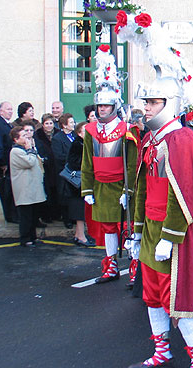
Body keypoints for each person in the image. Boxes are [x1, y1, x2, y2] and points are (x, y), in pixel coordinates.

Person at [127, 86, 193, 368]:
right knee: (151, 295)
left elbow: (184, 192)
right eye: (146, 102)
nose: (147, 107)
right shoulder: (150, 138)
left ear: (169, 103)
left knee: (178, 296)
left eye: (153, 102)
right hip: (151, 229)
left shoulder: (182, 138)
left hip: (172, 232)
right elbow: (142, 189)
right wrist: (137, 232)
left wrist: (169, 236)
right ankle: (162, 350)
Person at [81, 95, 138, 283]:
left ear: (114, 106)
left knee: (129, 229)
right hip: (100, 187)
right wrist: (87, 189)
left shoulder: (127, 130)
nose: (102, 109)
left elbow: (131, 164)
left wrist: (128, 191)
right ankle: (111, 265)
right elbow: (87, 162)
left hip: (121, 186)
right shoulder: (90, 130)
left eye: (106, 105)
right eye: (99, 106)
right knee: (108, 228)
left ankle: (135, 267)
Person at [9, 126, 46, 247]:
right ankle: (25, 238)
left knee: (33, 214)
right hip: (24, 188)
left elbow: (38, 161)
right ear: (16, 139)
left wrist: (32, 149)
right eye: (24, 136)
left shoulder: (27, 149)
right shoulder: (16, 151)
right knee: (26, 216)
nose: (27, 138)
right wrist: (30, 149)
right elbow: (29, 162)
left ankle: (33, 237)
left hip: (33, 187)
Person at [66, 122, 94, 246]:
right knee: (79, 211)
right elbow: (73, 162)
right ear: (79, 133)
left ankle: (79, 235)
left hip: (81, 183)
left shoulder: (84, 143)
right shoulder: (78, 144)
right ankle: (81, 237)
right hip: (77, 184)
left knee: (81, 210)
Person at [0, 101, 18, 223]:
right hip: (4, 166)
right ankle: (10, 216)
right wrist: (2, 164)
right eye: (8, 109)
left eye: (11, 109)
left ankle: (12, 215)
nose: (10, 111)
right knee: (5, 193)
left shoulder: (8, 124)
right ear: (1, 111)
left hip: (10, 163)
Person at [52, 113, 76, 229]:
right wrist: (73, 159)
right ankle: (67, 219)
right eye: (71, 122)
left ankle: (74, 217)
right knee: (65, 196)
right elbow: (58, 156)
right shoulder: (57, 138)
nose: (73, 124)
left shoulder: (74, 136)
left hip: (75, 172)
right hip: (64, 172)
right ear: (64, 125)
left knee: (74, 196)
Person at [35, 113, 58, 224]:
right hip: (45, 166)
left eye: (51, 123)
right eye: (46, 123)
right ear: (43, 125)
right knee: (46, 191)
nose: (49, 126)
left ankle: (56, 214)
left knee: (56, 191)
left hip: (56, 167)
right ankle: (46, 215)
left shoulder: (58, 133)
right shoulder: (38, 135)